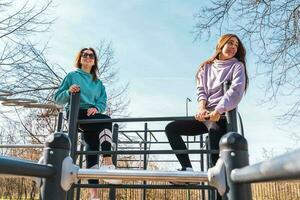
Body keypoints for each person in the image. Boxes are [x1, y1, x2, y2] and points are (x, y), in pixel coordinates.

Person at [165, 34, 248, 195]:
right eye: (230, 43)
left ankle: (221, 195)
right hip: (206, 115)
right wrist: (201, 107)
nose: (233, 47)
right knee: (172, 128)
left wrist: (219, 110)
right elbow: (201, 90)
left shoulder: (237, 66)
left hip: (221, 116)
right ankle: (187, 170)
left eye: (236, 45)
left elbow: (235, 91)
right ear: (221, 44)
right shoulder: (206, 66)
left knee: (215, 159)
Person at [54, 47, 120, 200]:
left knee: (92, 145)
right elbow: (58, 99)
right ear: (80, 58)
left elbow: (102, 102)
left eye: (91, 55)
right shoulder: (72, 76)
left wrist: (96, 107)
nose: (88, 57)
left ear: (94, 60)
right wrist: (68, 91)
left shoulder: (98, 83)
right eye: (85, 55)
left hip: (92, 115)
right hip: (77, 112)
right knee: (106, 121)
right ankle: (108, 162)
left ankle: (94, 195)